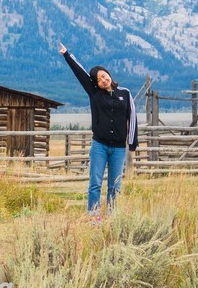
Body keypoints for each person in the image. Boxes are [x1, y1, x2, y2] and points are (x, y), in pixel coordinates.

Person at [58, 42, 138, 217]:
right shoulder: (94, 93)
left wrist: (132, 144)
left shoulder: (125, 93)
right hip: (99, 146)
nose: (102, 80)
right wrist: (67, 55)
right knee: (95, 183)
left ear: (108, 73)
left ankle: (112, 216)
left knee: (115, 185)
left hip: (118, 148)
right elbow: (81, 73)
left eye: (103, 76)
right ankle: (94, 216)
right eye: (98, 80)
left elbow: (132, 118)